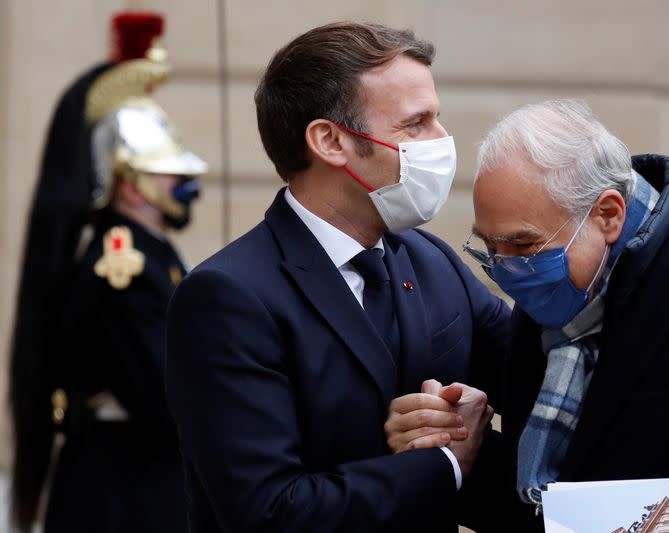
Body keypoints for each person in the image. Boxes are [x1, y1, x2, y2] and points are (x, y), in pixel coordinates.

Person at [165, 21, 514, 533]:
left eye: (436, 119)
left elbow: (535, 378)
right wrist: (440, 463)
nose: (440, 141)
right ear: (330, 141)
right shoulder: (228, 297)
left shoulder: (429, 259)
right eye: (415, 124)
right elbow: (269, 511)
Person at [460, 99, 669, 530]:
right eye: (490, 248)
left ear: (609, 215)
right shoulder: (555, 297)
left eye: (524, 246)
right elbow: (553, 507)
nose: (507, 269)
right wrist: (461, 456)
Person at [9, 12, 207, 532]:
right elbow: (165, 398)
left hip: (141, 476)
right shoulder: (121, 263)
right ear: (125, 175)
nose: (181, 180)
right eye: (167, 168)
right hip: (123, 488)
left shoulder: (149, 250)